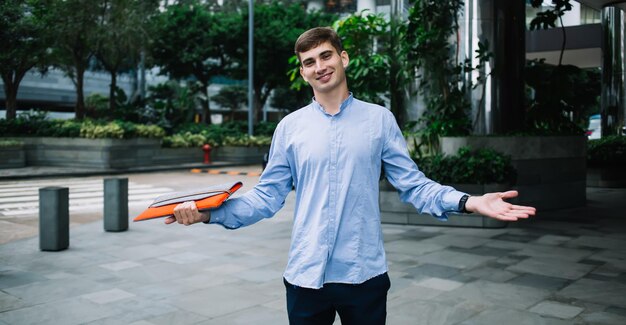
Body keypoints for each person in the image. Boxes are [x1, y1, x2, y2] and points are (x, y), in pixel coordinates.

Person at [168, 27, 536, 325]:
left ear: (343, 58)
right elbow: (265, 198)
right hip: (305, 277)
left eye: (326, 55)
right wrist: (207, 212)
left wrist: (469, 201)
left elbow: (414, 185)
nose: (319, 66)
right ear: (302, 72)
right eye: (309, 61)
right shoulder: (289, 128)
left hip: (363, 275)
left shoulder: (379, 120)